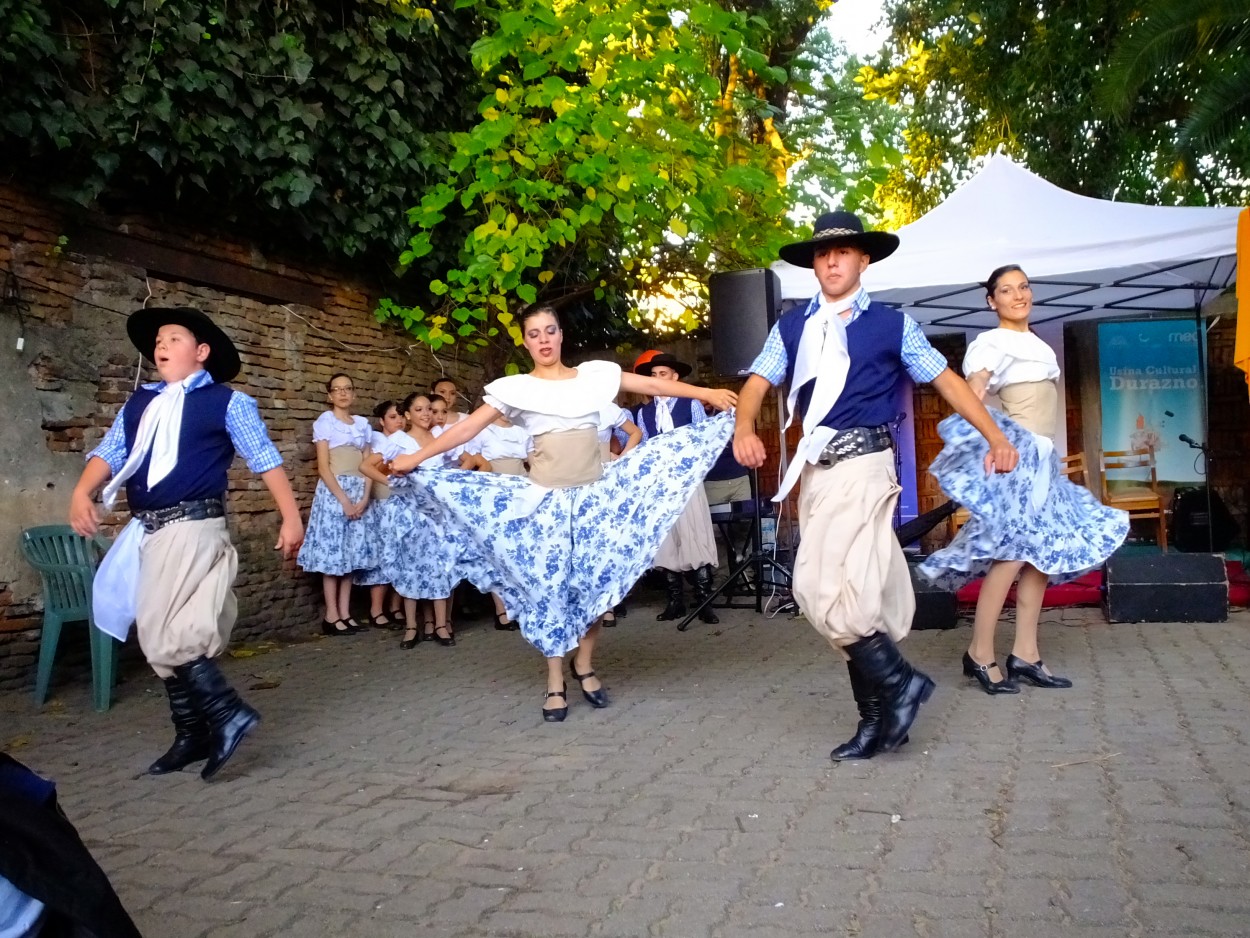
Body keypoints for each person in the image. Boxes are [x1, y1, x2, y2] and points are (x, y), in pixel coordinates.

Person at [732, 212, 1019, 762]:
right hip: (815, 473)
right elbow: (757, 382)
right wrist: (745, 427)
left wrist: (993, 437)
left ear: (864, 260)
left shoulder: (891, 324)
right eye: (822, 254)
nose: (832, 261)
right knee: (857, 600)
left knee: (820, 594)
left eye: (844, 252)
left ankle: (901, 688)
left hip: (865, 469)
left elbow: (946, 380)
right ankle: (884, 718)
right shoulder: (792, 326)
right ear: (814, 264)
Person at [388, 305, 737, 722]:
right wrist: (419, 458)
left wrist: (707, 393)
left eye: (550, 330)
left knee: (594, 587)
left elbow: (644, 382)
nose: (544, 339)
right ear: (525, 341)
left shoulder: (592, 377)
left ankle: (585, 665)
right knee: (549, 590)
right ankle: (555, 680)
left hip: (593, 500)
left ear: (560, 334)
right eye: (534, 334)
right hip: (545, 506)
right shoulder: (515, 388)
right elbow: (467, 429)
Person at [69, 306, 303, 780]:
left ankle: (226, 713)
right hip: (150, 529)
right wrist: (81, 490)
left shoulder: (225, 401)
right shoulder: (140, 403)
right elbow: (111, 451)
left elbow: (263, 457)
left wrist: (291, 516)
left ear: (200, 352)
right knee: (162, 634)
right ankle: (194, 732)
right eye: (158, 340)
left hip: (193, 526)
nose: (161, 345)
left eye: (173, 338)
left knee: (163, 635)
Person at [918, 264, 1129, 693]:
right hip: (1020, 462)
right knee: (1011, 556)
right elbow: (971, 396)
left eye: (1024, 287)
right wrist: (984, 443)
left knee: (1039, 558)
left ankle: (1026, 655)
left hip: (1044, 462)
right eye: (1007, 290)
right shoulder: (990, 343)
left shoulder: (1035, 343)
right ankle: (979, 653)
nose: (1019, 295)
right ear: (991, 301)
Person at [633, 351, 722, 625]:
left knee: (694, 532)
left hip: (687, 480)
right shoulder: (644, 413)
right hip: (660, 484)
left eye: (663, 375)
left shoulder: (690, 404)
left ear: (675, 377)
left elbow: (703, 439)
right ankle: (675, 601)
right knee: (666, 540)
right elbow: (645, 446)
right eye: (653, 375)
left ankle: (704, 599)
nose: (657, 379)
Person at [361, 393, 455, 649]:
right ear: (408, 415)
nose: (426, 414)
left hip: (435, 510)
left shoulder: (440, 438)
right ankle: (411, 627)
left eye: (428, 409)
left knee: (439, 565)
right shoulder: (399, 440)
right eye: (419, 409)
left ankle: (440, 626)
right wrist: (394, 483)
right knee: (410, 566)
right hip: (409, 511)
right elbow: (367, 466)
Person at [296, 374, 372, 635]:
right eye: (337, 390)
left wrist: (363, 497)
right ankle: (331, 615)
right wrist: (344, 500)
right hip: (335, 493)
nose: (343, 393)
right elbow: (323, 468)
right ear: (329, 395)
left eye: (347, 389)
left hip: (358, 488)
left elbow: (368, 464)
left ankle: (346, 613)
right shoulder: (325, 422)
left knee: (349, 554)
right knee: (333, 555)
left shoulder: (362, 424)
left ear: (354, 393)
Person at [355, 400, 406, 630]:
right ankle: (377, 610)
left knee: (400, 555)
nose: (399, 421)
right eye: (393, 417)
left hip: (401, 502)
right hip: (381, 502)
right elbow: (371, 467)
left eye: (401, 416)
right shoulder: (377, 440)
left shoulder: (406, 440)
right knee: (381, 556)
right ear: (382, 421)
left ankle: (395, 606)